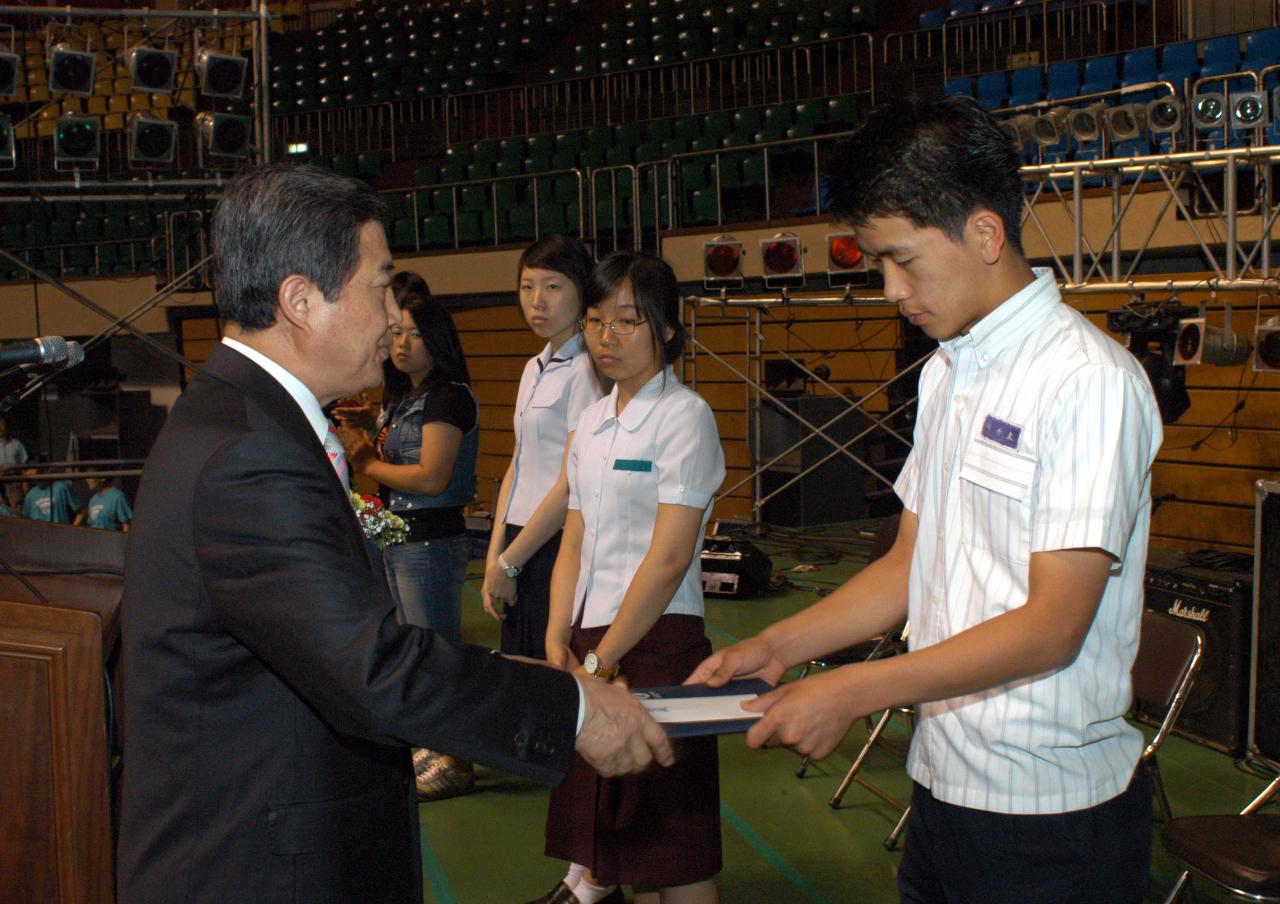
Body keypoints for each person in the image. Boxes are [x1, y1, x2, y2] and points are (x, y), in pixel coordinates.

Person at [116, 163, 674, 904]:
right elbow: (373, 670)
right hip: (261, 865)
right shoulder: (248, 455)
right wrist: (572, 710)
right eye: (380, 286)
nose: (392, 315)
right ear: (300, 301)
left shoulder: (241, 419)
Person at [688, 95, 1164, 904]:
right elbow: (914, 561)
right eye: (877, 262)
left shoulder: (1089, 383)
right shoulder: (947, 372)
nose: (888, 287)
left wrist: (850, 688)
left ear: (984, 233)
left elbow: (1053, 628)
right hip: (944, 793)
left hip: (1050, 826)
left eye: (902, 259)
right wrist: (782, 645)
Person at [532, 251, 725, 904]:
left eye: (627, 321)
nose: (606, 337)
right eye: (594, 321)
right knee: (624, 842)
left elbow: (669, 559)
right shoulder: (590, 421)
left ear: (668, 329)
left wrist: (606, 658)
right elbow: (576, 537)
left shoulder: (685, 418)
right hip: (593, 649)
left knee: (677, 847)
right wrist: (559, 634)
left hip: (659, 643)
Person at [338, 271, 481, 801]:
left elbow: (430, 478)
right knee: (415, 651)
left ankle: (456, 758)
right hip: (400, 540)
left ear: (437, 341)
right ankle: (433, 744)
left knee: (437, 654)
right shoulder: (405, 397)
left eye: (413, 335)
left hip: (428, 543)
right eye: (395, 332)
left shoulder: (446, 398)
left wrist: (366, 461)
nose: (400, 343)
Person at [482, 235, 605, 660]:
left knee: (548, 670)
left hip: (555, 542)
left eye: (553, 287)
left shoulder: (588, 369)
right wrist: (496, 552)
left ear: (582, 291)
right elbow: (518, 465)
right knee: (519, 669)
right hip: (519, 542)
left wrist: (511, 561)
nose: (537, 300)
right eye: (527, 286)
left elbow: (572, 482)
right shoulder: (532, 367)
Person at [0, 414, 28, 510]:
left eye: (2, 424)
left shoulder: (17, 444)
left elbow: (24, 466)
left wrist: (25, 483)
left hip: (14, 480)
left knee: (17, 509)